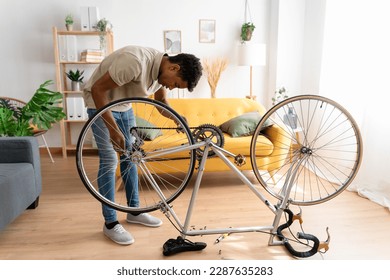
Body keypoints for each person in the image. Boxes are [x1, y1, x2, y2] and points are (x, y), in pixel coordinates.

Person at [82, 46, 203, 245]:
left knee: (132, 157)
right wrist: (113, 130)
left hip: (124, 106)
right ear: (174, 68)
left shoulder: (161, 70)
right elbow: (97, 89)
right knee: (110, 159)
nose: (171, 87)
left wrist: (177, 119)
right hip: (100, 103)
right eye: (175, 84)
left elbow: (161, 101)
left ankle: (134, 212)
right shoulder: (135, 62)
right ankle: (110, 223)